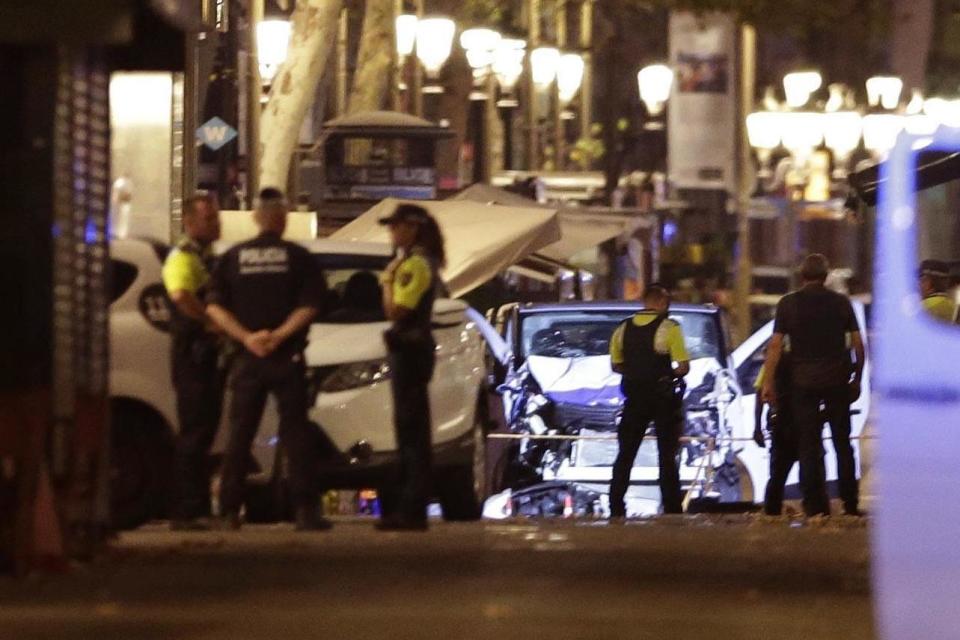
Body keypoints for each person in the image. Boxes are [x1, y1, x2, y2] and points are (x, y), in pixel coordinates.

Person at [206, 187, 329, 531]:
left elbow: (214, 306)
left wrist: (247, 337)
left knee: (239, 434)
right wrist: (279, 336)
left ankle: (229, 510)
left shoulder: (233, 257)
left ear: (257, 217)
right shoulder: (298, 258)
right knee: (296, 433)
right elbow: (310, 305)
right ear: (283, 219)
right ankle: (306, 511)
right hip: (285, 357)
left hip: (247, 358)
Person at [762, 254, 865, 517]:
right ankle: (850, 503)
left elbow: (775, 346)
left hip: (803, 382)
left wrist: (768, 382)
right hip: (836, 381)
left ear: (801, 276)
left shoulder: (788, 304)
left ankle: (815, 505)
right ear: (826, 276)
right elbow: (858, 345)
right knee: (842, 443)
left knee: (808, 443)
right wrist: (857, 378)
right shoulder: (841, 303)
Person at [376, 204, 445, 531]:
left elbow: (397, 310)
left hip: (410, 349)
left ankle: (412, 509)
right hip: (414, 350)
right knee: (411, 429)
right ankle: (409, 506)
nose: (392, 232)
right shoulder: (420, 261)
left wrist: (387, 281)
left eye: (396, 226)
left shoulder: (414, 265)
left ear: (412, 228)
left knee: (412, 430)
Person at [162, 192, 223, 530]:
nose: (217, 223)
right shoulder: (183, 257)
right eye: (209, 218)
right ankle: (185, 509)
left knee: (204, 430)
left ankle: (197, 505)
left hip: (203, 354)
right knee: (194, 431)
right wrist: (208, 322)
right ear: (189, 221)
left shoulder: (204, 256)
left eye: (216, 217)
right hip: (192, 355)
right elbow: (181, 295)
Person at [608, 284, 690, 517]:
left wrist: (635, 371)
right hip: (662, 399)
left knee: (626, 454)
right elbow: (683, 367)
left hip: (634, 399)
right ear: (663, 303)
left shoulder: (622, 329)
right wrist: (668, 375)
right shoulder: (670, 328)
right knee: (666, 455)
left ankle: (616, 505)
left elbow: (615, 365)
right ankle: (671, 507)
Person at [752, 345, 798, 516]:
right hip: (796, 422)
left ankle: (772, 512)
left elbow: (760, 397)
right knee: (809, 471)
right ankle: (816, 509)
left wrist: (757, 427)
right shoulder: (798, 362)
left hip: (782, 423)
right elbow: (760, 396)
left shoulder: (772, 367)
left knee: (777, 474)